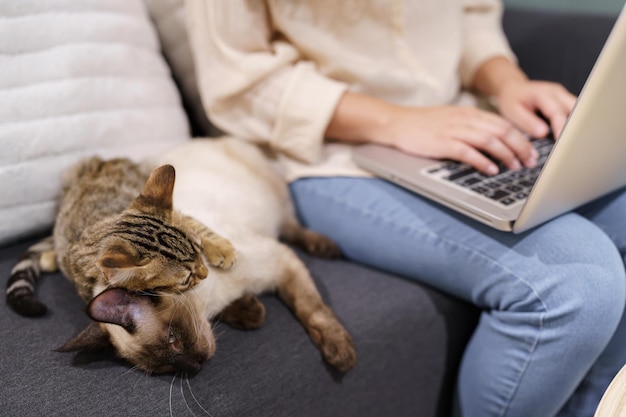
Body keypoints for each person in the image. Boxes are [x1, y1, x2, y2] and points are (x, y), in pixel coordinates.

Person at [184, 1, 626, 416]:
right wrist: (400, 122)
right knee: (575, 281)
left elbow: (469, 14)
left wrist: (508, 83)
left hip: (463, 125)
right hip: (329, 156)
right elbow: (239, 86)